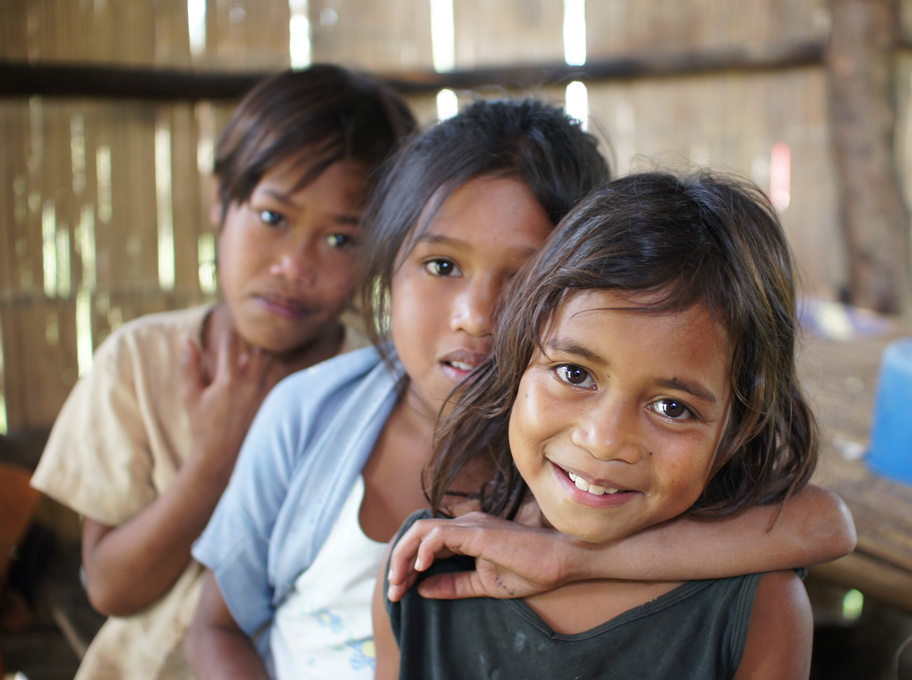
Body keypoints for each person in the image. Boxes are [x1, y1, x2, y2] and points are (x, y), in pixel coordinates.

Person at [188, 99, 853, 680]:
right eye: (442, 265)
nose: (478, 315)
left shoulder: (564, 466)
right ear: (386, 264)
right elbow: (217, 623)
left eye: (521, 275)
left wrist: (571, 559)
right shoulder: (316, 417)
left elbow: (824, 525)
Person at [30, 64, 416, 680]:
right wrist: (213, 462)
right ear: (222, 199)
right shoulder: (138, 362)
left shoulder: (379, 394)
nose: (294, 265)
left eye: (342, 240)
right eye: (273, 218)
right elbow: (109, 588)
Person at [375, 170, 822, 680]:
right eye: (575, 374)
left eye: (672, 408)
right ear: (517, 360)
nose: (605, 440)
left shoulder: (762, 611)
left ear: (738, 429)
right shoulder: (423, 565)